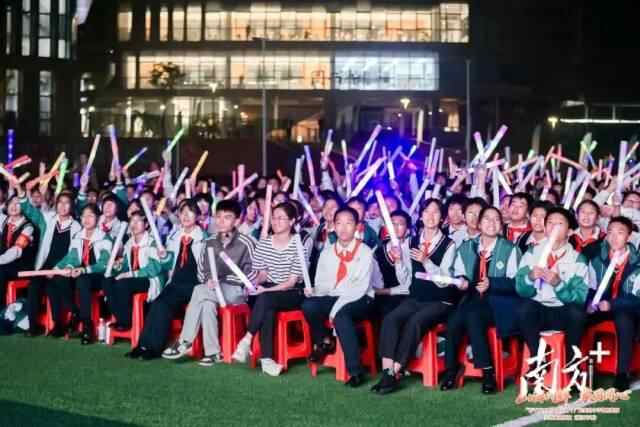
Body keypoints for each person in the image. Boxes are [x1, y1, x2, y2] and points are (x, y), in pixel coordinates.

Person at [369, 199, 457, 394]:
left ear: (442, 218)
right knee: (391, 319)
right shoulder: (410, 242)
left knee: (415, 322)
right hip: (416, 297)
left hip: (441, 300)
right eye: (426, 211)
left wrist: (426, 262)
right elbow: (406, 280)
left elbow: (444, 281)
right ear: (421, 215)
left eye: (435, 212)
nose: (430, 216)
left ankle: (394, 373)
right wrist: (399, 262)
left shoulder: (449, 244)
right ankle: (387, 372)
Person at [163, 200, 255, 367]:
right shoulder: (210, 241)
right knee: (206, 302)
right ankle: (213, 353)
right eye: (218, 217)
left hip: (236, 290)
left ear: (237, 220)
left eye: (227, 217)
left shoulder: (246, 242)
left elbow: (253, 272)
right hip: (213, 290)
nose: (221, 221)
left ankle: (184, 341)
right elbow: (202, 269)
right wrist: (208, 280)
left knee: (199, 291)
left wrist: (226, 281)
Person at [440, 207, 521, 394]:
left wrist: (492, 283)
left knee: (473, 316)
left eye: (496, 219)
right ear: (479, 223)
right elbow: (460, 274)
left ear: (501, 225)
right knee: (454, 320)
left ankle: (487, 372)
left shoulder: (510, 249)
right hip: (472, 300)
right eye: (487, 219)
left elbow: (517, 283)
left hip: (500, 304)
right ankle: (452, 369)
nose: (491, 223)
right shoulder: (467, 248)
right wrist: (462, 282)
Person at [302, 207, 374, 387]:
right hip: (336, 296)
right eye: (339, 223)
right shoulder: (327, 253)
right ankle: (325, 342)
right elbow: (324, 284)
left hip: (360, 298)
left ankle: (356, 371)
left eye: (349, 223)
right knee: (309, 305)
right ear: (333, 226)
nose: (343, 228)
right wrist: (315, 291)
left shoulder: (365, 252)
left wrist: (334, 310)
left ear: (357, 226)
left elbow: (358, 288)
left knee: (342, 315)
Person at [232, 202, 306, 376]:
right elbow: (263, 275)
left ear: (292, 221)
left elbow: (291, 282)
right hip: (270, 291)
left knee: (265, 299)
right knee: (267, 307)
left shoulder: (298, 246)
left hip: (291, 292)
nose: (275, 221)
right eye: (273, 218)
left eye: (281, 218)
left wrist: (265, 291)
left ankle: (247, 339)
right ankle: (267, 360)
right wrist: (254, 283)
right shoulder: (264, 244)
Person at [126, 200, 205, 360]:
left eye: (190, 212)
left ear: (197, 216)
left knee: (163, 306)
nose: (185, 216)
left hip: (195, 285)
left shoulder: (204, 238)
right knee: (158, 304)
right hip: (175, 283)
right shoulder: (174, 237)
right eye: (182, 212)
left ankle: (154, 348)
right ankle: (143, 345)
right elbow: (168, 264)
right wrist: (164, 256)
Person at [515, 207, 589, 367]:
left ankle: (571, 364)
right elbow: (520, 289)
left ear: (570, 231)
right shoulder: (532, 253)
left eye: (559, 223)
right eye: (550, 222)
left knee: (577, 314)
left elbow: (580, 297)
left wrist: (558, 284)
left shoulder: (578, 259)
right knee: (523, 309)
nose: (554, 227)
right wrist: (530, 277)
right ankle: (538, 360)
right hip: (539, 311)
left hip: (562, 312)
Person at [17, 187, 82, 337]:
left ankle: (60, 324)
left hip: (64, 269)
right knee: (33, 286)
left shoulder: (77, 227)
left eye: (67, 203)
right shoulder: (48, 220)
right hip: (44, 266)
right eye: (60, 202)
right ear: (56, 204)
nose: (63, 206)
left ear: (71, 206)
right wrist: (21, 192)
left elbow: (74, 254)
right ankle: (33, 326)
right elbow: (31, 212)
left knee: (55, 285)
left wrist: (58, 269)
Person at [586, 216, 640, 391]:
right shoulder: (597, 260)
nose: (614, 237)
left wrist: (612, 304)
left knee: (624, 319)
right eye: (610, 232)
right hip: (601, 307)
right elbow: (590, 289)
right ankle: (580, 370)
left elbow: (637, 298)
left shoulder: (637, 262)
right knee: (578, 315)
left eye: (620, 233)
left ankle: (622, 374)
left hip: (627, 308)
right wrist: (589, 303)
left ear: (629, 236)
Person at [53, 204, 113, 344]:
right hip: (81, 273)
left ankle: (87, 326)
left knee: (83, 280)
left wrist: (84, 270)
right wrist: (64, 268)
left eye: (90, 216)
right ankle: (75, 312)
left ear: (97, 218)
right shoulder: (78, 236)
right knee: (60, 279)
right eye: (84, 216)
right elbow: (72, 257)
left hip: (98, 276)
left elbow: (104, 264)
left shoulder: (105, 238)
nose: (86, 219)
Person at [102, 210, 164, 332]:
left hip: (150, 280)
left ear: (146, 224)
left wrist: (130, 274)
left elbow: (154, 268)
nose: (134, 224)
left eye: (138, 221)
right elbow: (126, 266)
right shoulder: (129, 243)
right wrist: (117, 266)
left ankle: (126, 322)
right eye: (132, 221)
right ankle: (122, 318)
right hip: (132, 279)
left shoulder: (153, 242)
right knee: (106, 281)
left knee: (123, 284)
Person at [371, 210, 412, 318]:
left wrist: (384, 291)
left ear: (407, 229)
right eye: (392, 224)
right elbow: (375, 281)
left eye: (400, 224)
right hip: (383, 297)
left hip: (406, 297)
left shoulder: (413, 249)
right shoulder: (379, 250)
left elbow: (409, 286)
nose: (395, 227)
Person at [0, 196, 37, 312]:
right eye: (11, 203)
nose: (14, 206)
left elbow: (16, 251)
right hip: (5, 263)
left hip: (22, 265)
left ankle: (2, 310)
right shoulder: (5, 221)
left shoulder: (28, 227)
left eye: (18, 204)